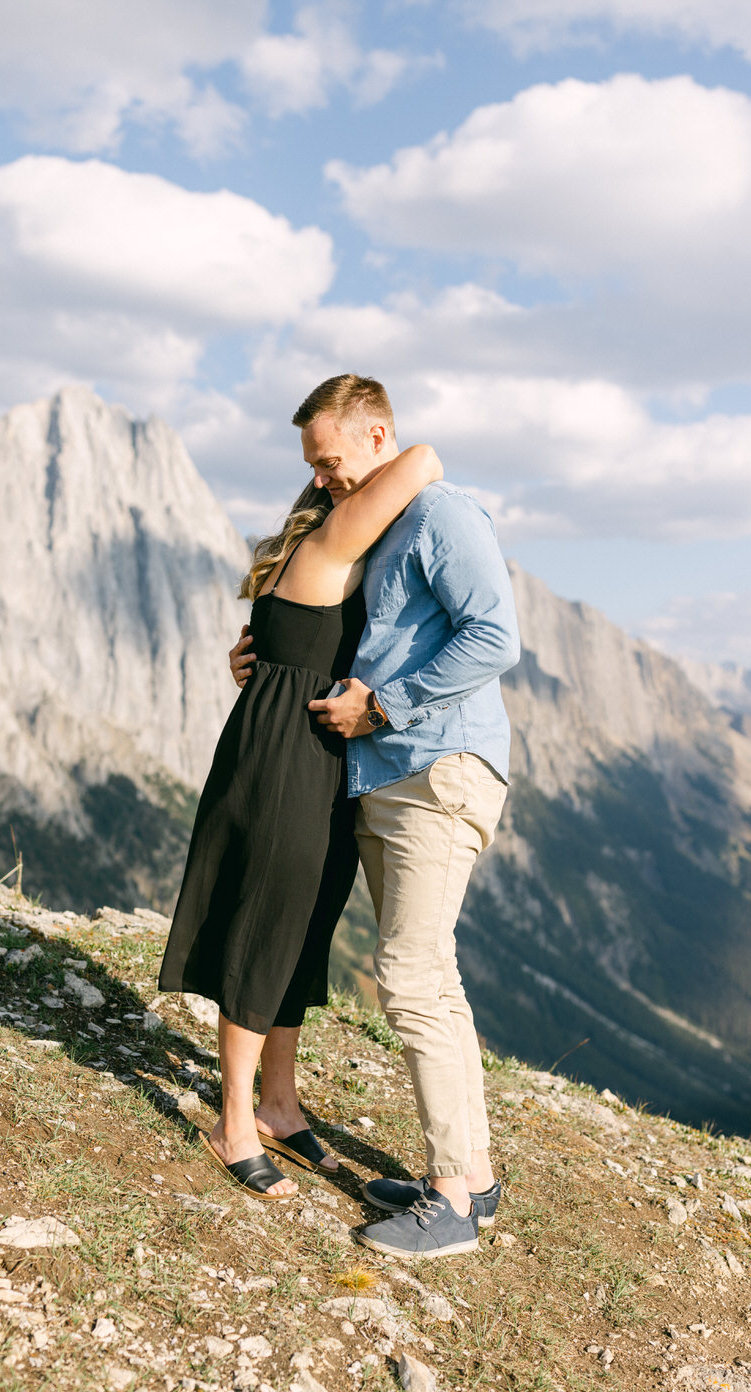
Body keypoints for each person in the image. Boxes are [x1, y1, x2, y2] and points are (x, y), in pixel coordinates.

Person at [230, 373, 519, 1256]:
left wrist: (384, 708)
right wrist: (270, 655)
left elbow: (495, 637)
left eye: (330, 461)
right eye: (313, 468)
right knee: (434, 976)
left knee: (412, 978)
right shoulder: (383, 530)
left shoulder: (440, 516)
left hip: (436, 770)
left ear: (378, 434)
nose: (322, 479)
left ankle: (451, 1203)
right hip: (389, 777)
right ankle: (472, 1175)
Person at [158, 439, 443, 1200]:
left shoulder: (331, 559)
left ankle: (279, 1106)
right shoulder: (329, 542)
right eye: (320, 468)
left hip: (315, 760)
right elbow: (422, 460)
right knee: (265, 928)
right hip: (286, 762)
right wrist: (366, 453)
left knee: (303, 927)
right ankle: (234, 1123)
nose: (321, 475)